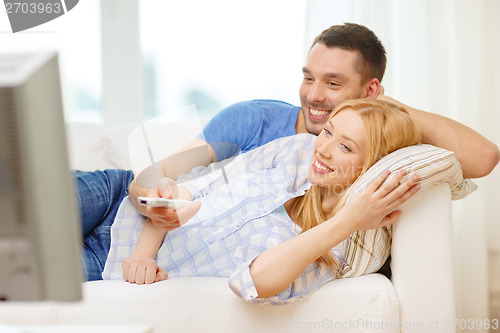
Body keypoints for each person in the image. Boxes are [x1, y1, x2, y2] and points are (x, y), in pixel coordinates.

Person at [75, 23, 499, 280]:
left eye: (333, 84)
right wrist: (156, 207)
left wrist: (380, 110)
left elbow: (483, 158)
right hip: (116, 198)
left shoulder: (362, 153)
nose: (313, 95)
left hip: (125, 256)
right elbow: (151, 177)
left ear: (369, 91)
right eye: (308, 77)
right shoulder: (254, 120)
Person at [100, 99, 421, 304]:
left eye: (346, 147)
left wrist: (347, 220)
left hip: (106, 265)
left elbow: (251, 282)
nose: (322, 148)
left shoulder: (342, 242)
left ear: (371, 167)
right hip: (120, 203)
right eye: (328, 132)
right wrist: (143, 253)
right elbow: (187, 189)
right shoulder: (296, 154)